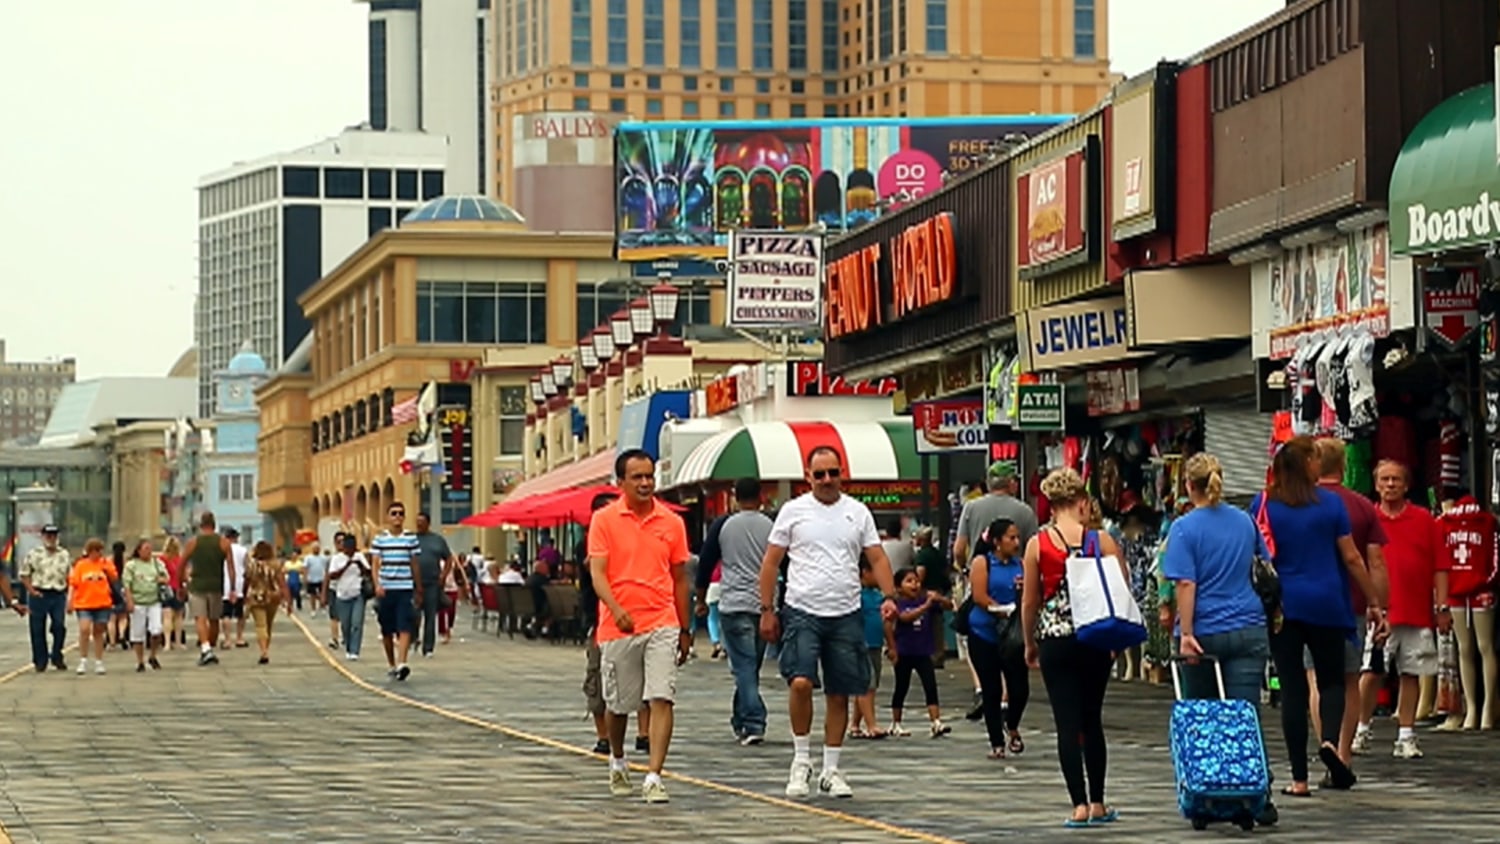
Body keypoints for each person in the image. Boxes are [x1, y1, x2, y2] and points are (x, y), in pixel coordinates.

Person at [758, 445, 899, 800]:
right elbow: (771, 562)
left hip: (845, 611)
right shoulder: (793, 511)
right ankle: (801, 760)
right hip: (802, 610)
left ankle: (831, 768)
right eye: (819, 474)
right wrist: (766, 608)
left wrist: (890, 596)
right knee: (801, 682)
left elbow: (877, 556)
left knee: (840, 690)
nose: (826, 480)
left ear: (842, 474)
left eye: (833, 473)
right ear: (808, 476)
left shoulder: (858, 512)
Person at [1250, 436, 1381, 797]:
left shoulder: (1263, 504)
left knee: (1292, 686)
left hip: (1283, 606)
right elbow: (1352, 558)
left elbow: (1255, 554)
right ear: (1306, 463)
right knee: (1332, 681)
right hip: (1327, 601)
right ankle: (1329, 742)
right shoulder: (1331, 505)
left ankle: (1299, 780)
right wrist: (1374, 601)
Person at [1020, 467, 1125, 828]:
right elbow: (1120, 590)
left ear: (1050, 503)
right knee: (1092, 719)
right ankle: (1098, 802)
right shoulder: (1103, 541)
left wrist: (1030, 642)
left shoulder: (1038, 544)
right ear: (1082, 502)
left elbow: (1030, 602)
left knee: (1067, 723)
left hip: (1055, 638)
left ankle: (1078, 805)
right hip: (1094, 636)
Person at [589, 449, 692, 803]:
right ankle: (618, 761)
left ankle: (653, 776)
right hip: (619, 627)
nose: (646, 483)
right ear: (621, 482)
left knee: (661, 696)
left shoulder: (672, 523)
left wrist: (684, 626)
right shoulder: (604, 520)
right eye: (638, 477)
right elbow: (598, 573)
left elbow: (680, 578)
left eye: (650, 476)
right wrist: (615, 608)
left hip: (661, 620)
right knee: (619, 705)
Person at [1310, 437, 1389, 769]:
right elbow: (1376, 562)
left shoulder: (1301, 502)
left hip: (1308, 603)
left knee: (1316, 677)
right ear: (1344, 465)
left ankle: (1324, 741)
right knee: (1349, 677)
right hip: (1351, 602)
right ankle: (1343, 751)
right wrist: (1378, 604)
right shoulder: (1362, 506)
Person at [1368, 459, 1447, 760]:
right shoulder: (1368, 518)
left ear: (1406, 484)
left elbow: (1441, 566)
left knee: (1412, 672)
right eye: (1385, 479)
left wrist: (1441, 606)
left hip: (1416, 609)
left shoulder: (1425, 519)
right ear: (1376, 484)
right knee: (1371, 672)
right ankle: (1361, 729)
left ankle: (1406, 735)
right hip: (1378, 612)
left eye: (1396, 479)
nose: (1390, 485)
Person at [954, 462, 1039, 720]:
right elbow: (1034, 549)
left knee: (976, 637)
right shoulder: (1024, 511)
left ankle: (985, 688)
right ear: (1011, 483)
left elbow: (959, 548)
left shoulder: (971, 507)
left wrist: (963, 568)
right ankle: (1004, 697)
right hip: (1017, 581)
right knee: (1012, 640)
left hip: (980, 578)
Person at [695, 477, 774, 745]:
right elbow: (784, 562)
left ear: (734, 497)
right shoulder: (771, 527)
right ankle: (742, 719)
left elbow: (705, 562)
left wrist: (701, 598)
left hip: (733, 603)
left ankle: (752, 721)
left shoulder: (723, 525)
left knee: (743, 667)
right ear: (761, 497)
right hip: (763, 604)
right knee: (750, 667)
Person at [966, 518, 1028, 760]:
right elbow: (980, 596)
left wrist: (1024, 592)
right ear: (996, 541)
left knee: (1019, 688)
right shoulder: (983, 563)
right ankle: (997, 742)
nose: (1016, 542)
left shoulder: (1020, 564)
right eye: (1010, 537)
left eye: (1017, 537)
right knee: (991, 689)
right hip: (985, 632)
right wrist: (1000, 609)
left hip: (1012, 636)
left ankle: (1011, 724)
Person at [887, 567, 953, 737]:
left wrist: (938, 598)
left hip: (923, 651)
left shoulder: (925, 598)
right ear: (898, 587)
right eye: (909, 581)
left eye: (916, 581)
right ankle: (896, 723)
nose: (914, 584)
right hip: (904, 651)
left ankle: (936, 722)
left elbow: (950, 606)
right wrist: (926, 606)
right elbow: (905, 617)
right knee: (902, 686)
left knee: (930, 685)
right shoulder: (898, 604)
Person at [371, 501, 422, 681]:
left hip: (405, 587)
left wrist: (418, 586)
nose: (397, 517)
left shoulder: (410, 538)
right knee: (387, 629)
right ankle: (392, 663)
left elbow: (414, 563)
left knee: (404, 625)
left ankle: (402, 662)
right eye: (394, 513)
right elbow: (375, 563)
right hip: (387, 588)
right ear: (387, 517)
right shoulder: (380, 539)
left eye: (401, 513)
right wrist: (377, 584)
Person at [181, 512, 237, 667]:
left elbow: (182, 563)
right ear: (214, 524)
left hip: (197, 586)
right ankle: (209, 648)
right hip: (216, 586)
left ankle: (206, 649)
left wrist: (181, 583)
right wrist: (232, 588)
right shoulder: (224, 543)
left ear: (201, 525)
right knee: (214, 620)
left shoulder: (193, 542)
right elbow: (231, 568)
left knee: (200, 618)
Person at [849, 560, 892, 739]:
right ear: (865, 573)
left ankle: (855, 723)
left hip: (876, 645)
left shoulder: (878, 595)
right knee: (868, 685)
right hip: (861, 644)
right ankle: (871, 724)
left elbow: (885, 622)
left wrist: (891, 643)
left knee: (869, 684)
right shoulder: (856, 595)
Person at [21, 524, 71, 672]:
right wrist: (31, 590)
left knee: (59, 626)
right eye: (48, 535)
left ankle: (57, 654)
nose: (51, 538)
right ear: (43, 537)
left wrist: (69, 593)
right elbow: (24, 574)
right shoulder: (34, 554)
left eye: (54, 535)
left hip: (58, 593)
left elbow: (70, 575)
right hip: (39, 593)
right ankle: (40, 660)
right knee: (37, 628)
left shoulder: (64, 554)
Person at [67, 538, 118, 675]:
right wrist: (70, 601)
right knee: (84, 629)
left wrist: (106, 567)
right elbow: (73, 583)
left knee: (98, 631)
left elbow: (114, 579)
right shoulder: (81, 565)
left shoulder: (106, 564)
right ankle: (83, 659)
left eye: (99, 551)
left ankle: (98, 661)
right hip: (84, 603)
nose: (97, 554)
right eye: (94, 551)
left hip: (102, 603)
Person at [120, 539, 168, 672]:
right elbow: (127, 585)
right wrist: (129, 601)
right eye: (145, 549)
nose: (148, 552)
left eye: (150, 549)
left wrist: (161, 579)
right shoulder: (131, 565)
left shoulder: (157, 563)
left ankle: (153, 655)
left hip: (154, 601)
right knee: (138, 633)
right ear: (139, 550)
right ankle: (140, 660)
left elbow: (166, 577)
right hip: (138, 602)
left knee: (156, 630)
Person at [412, 512, 454, 658]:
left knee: (431, 615)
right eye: (417, 522)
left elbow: (449, 559)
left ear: (428, 523)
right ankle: (413, 639)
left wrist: (443, 575)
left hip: (432, 583)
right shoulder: (411, 539)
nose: (419, 525)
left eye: (422, 522)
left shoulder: (437, 540)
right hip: (413, 584)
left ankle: (428, 647)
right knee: (413, 614)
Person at [244, 541, 291, 665]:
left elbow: (246, 581)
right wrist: (288, 600)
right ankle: (265, 650)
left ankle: (264, 651)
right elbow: (282, 583)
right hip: (273, 597)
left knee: (261, 625)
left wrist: (243, 596)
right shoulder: (276, 565)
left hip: (255, 597)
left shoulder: (252, 565)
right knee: (268, 625)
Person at [328, 533, 371, 661]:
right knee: (346, 624)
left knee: (356, 623)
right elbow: (332, 575)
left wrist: (359, 565)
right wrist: (346, 566)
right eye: (347, 546)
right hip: (342, 595)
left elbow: (368, 572)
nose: (349, 550)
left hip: (357, 594)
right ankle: (348, 645)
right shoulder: (337, 559)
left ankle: (355, 650)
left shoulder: (359, 556)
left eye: (352, 546)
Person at [438, 540, 472, 646]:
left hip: (452, 587)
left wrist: (466, 583)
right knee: (442, 612)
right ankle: (444, 632)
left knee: (452, 610)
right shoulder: (436, 558)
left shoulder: (452, 557)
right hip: (441, 588)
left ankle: (449, 628)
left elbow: (460, 570)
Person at [221, 527, 249, 649]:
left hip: (225, 584)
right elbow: (248, 568)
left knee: (226, 613)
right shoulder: (243, 550)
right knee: (240, 614)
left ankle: (227, 639)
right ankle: (240, 638)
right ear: (236, 538)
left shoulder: (221, 550)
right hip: (240, 584)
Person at [159, 536, 185, 650]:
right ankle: (178, 642)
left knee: (167, 617)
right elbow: (184, 575)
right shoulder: (180, 559)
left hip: (166, 589)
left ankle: (167, 643)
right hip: (178, 588)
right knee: (178, 617)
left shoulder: (162, 559)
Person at [109, 541, 129, 649]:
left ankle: (112, 641)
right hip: (123, 587)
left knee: (111, 618)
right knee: (123, 616)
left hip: (111, 587)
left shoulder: (109, 560)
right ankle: (122, 634)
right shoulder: (126, 561)